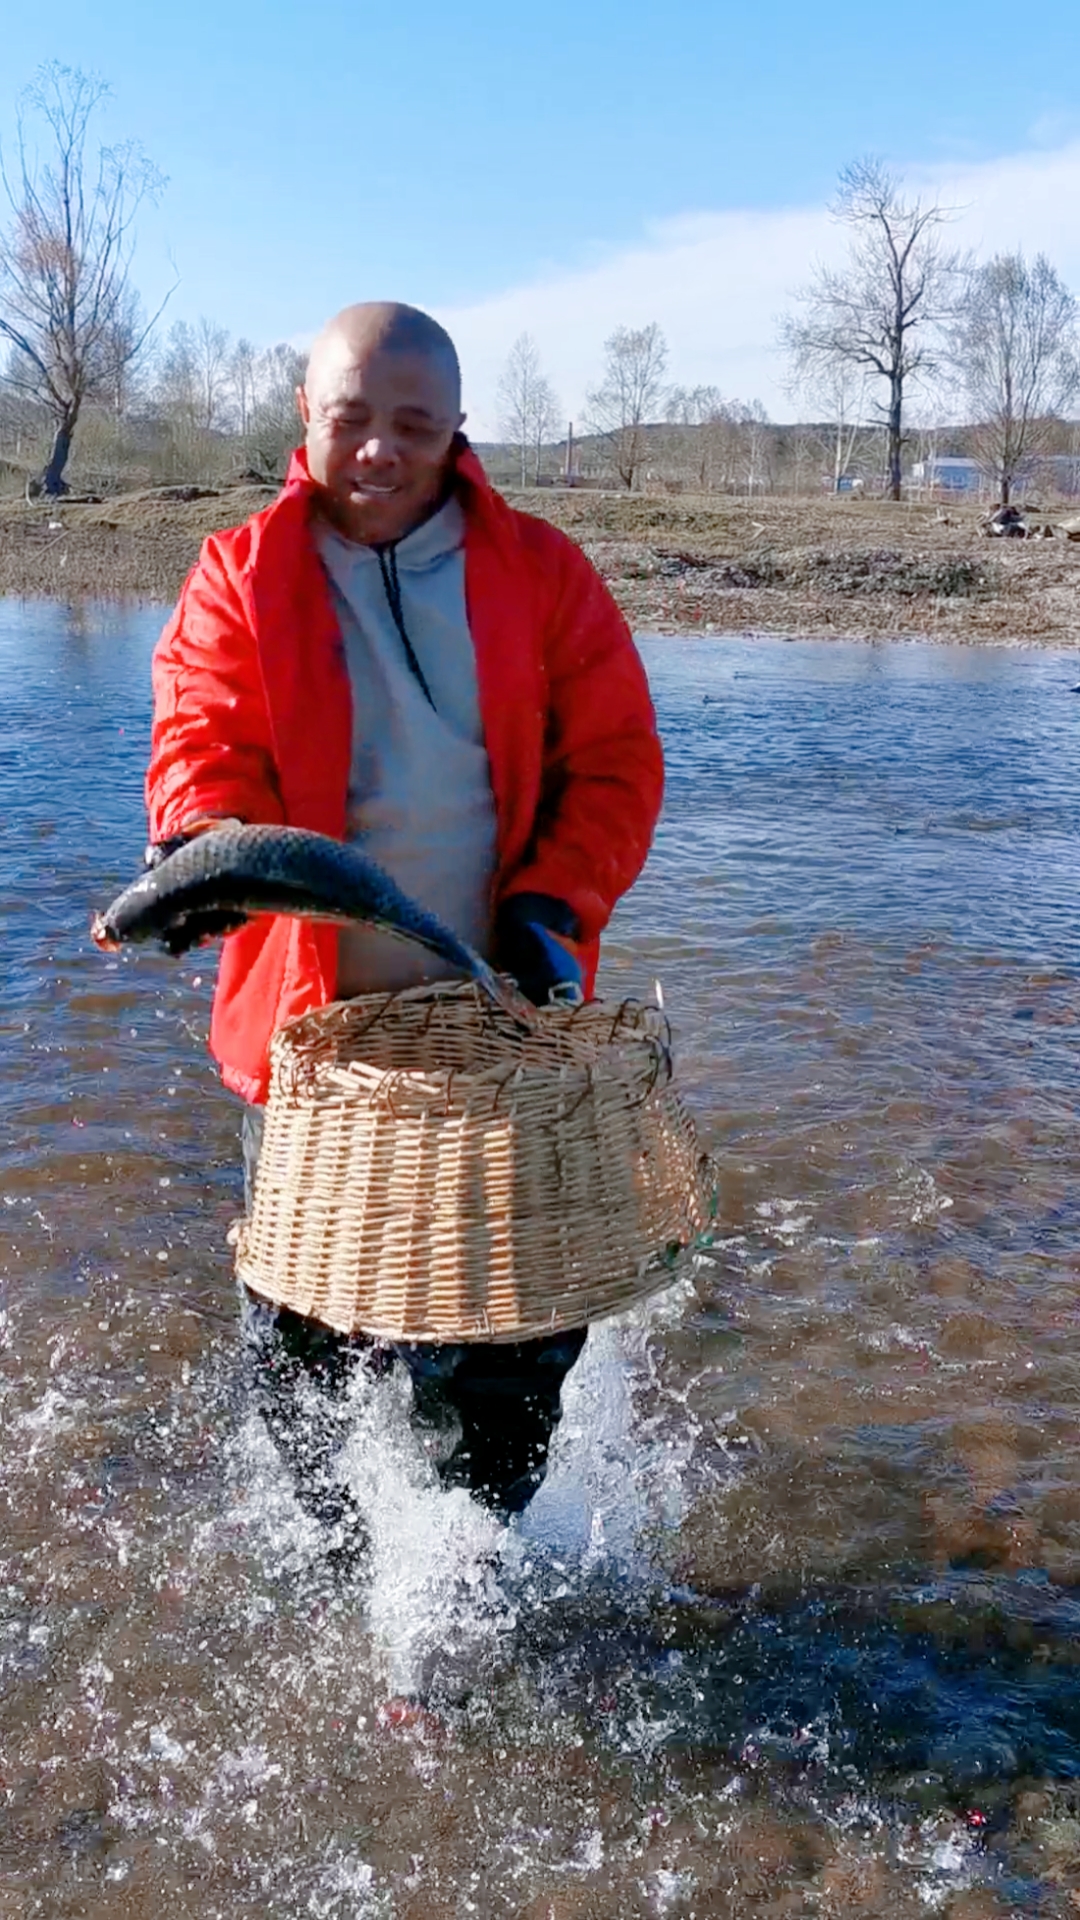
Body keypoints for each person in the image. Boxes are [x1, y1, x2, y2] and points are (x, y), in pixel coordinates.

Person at [146, 301, 663, 1553]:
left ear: (459, 429)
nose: (380, 449)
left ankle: (476, 1578)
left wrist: (554, 909)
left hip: (504, 1019)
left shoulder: (543, 571)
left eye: (414, 425)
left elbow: (616, 764)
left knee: (510, 1352)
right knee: (301, 1353)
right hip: (313, 1040)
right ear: (307, 419)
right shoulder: (237, 571)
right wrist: (207, 839)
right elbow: (200, 737)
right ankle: (337, 1576)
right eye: (353, 420)